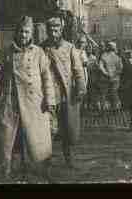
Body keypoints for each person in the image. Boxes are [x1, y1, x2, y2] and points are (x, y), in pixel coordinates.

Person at [0, 16, 55, 180]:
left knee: (36, 138)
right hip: (11, 100)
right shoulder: (6, 52)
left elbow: (47, 78)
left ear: (31, 34)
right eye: (21, 31)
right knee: (9, 137)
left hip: (34, 102)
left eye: (27, 32)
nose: (23, 35)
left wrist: (50, 101)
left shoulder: (38, 53)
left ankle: (38, 169)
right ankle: (8, 169)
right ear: (17, 32)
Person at [42, 17, 86, 169]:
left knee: (68, 128)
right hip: (48, 95)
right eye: (50, 30)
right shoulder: (41, 48)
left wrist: (80, 89)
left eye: (56, 30)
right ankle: (47, 161)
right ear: (47, 31)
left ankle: (69, 160)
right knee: (48, 129)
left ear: (61, 30)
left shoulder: (69, 48)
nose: (53, 33)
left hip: (66, 94)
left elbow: (78, 70)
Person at [97, 41, 124, 112]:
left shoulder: (103, 56)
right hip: (115, 79)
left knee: (103, 94)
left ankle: (103, 109)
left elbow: (100, 67)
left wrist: (106, 73)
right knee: (114, 93)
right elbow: (120, 69)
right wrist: (113, 74)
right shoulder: (117, 57)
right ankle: (114, 108)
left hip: (104, 78)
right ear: (114, 48)